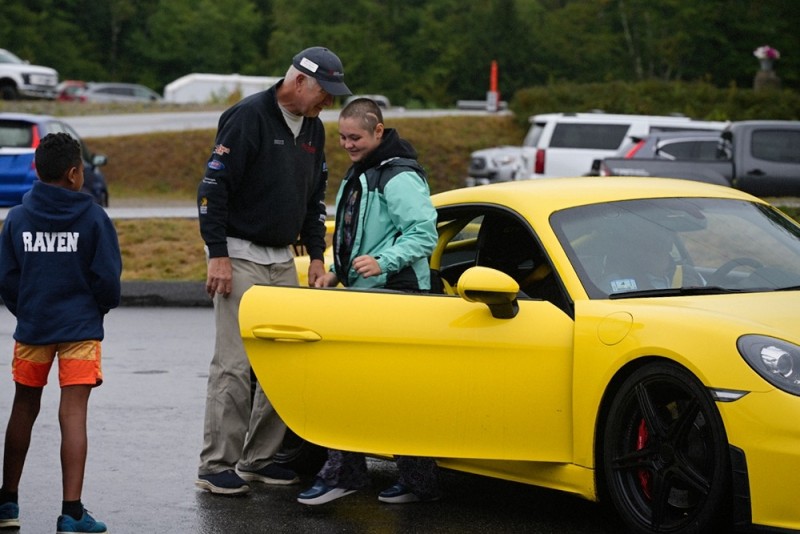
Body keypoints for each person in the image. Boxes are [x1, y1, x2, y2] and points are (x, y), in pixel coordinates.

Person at [195, 46, 351, 495]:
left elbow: (315, 196)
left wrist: (317, 255)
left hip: (282, 257)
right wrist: (218, 254)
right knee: (235, 363)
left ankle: (258, 459)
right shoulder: (247, 117)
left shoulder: (313, 128)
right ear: (299, 81)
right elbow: (212, 188)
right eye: (325, 91)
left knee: (283, 365)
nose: (329, 102)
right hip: (239, 253)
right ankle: (215, 465)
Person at [297, 97, 441, 505]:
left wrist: (383, 262)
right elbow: (352, 235)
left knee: (365, 388)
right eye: (342, 137)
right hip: (368, 297)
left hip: (399, 296)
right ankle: (412, 480)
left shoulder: (398, 176)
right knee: (379, 389)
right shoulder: (362, 171)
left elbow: (423, 235)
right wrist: (335, 272)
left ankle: (354, 475)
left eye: (355, 137)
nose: (347, 145)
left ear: (378, 131)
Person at [0, 132, 122, 532]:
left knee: (23, 407)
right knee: (73, 413)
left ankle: (7, 504)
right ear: (72, 174)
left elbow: (7, 278)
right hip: (80, 329)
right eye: (81, 169)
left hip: (33, 327)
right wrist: (96, 308)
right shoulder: (94, 218)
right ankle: (71, 513)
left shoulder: (18, 218)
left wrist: (28, 309)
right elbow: (108, 280)